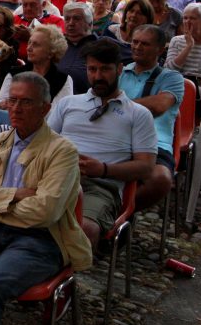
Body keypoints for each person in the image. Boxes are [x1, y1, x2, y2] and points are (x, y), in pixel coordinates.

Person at [0, 72, 92, 325]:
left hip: (41, 238)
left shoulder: (62, 151)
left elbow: (45, 212)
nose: (16, 108)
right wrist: (15, 195)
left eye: (26, 102)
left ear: (45, 108)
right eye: (12, 100)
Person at [48, 39, 156, 249]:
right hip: (56, 176)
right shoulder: (68, 103)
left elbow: (146, 167)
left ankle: (69, 277)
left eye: (105, 69)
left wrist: (104, 169)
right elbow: (44, 143)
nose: (97, 76)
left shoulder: (138, 114)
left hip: (100, 187)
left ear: (119, 69)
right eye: (92, 69)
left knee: (85, 228)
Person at [120, 25, 187, 211]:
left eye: (145, 44)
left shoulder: (172, 78)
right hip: (117, 137)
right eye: (135, 42)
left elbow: (159, 106)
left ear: (160, 49)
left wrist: (118, 104)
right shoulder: (120, 72)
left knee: (160, 179)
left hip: (155, 144)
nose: (137, 47)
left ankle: (119, 213)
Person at [0, 25, 73, 113]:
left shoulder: (63, 79)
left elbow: (60, 113)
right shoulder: (14, 73)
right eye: (29, 43)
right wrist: (1, 104)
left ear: (51, 52)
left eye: (36, 45)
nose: (29, 48)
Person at [56, 2, 99, 95]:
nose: (71, 23)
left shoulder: (99, 47)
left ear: (89, 23)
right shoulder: (56, 45)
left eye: (77, 19)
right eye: (67, 19)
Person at [166, 2, 201, 78]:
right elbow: (168, 70)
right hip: (179, 85)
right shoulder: (176, 41)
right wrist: (189, 46)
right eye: (185, 18)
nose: (187, 21)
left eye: (193, 18)